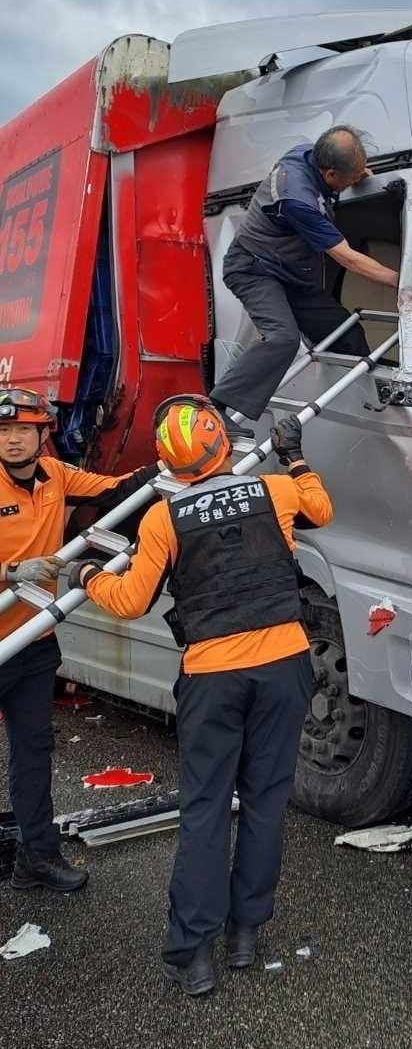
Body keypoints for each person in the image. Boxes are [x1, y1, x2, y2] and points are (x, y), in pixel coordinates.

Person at [67, 395, 332, 997]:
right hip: (284, 666)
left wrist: (86, 574)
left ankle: (192, 956)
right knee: (266, 805)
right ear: (223, 443)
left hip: (214, 679)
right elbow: (322, 506)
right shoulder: (273, 491)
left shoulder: (163, 519)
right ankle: (245, 935)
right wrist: (293, 458)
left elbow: (131, 601)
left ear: (170, 463)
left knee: (207, 809)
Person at [0, 388, 158, 893]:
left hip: (33, 640)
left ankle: (37, 860)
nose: (13, 440)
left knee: (34, 751)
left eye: (24, 430)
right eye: (3, 432)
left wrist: (171, 463)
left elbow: (115, 491)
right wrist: (10, 571)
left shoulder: (56, 476)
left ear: (42, 434)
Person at [209, 125, 399, 440]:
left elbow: (341, 172)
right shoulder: (297, 198)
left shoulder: (310, 153)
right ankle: (217, 407)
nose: (353, 182)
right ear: (328, 174)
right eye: (349, 179)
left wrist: (355, 173)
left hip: (291, 274)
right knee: (282, 338)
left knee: (347, 331)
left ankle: (360, 401)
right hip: (253, 268)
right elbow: (348, 259)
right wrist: (405, 281)